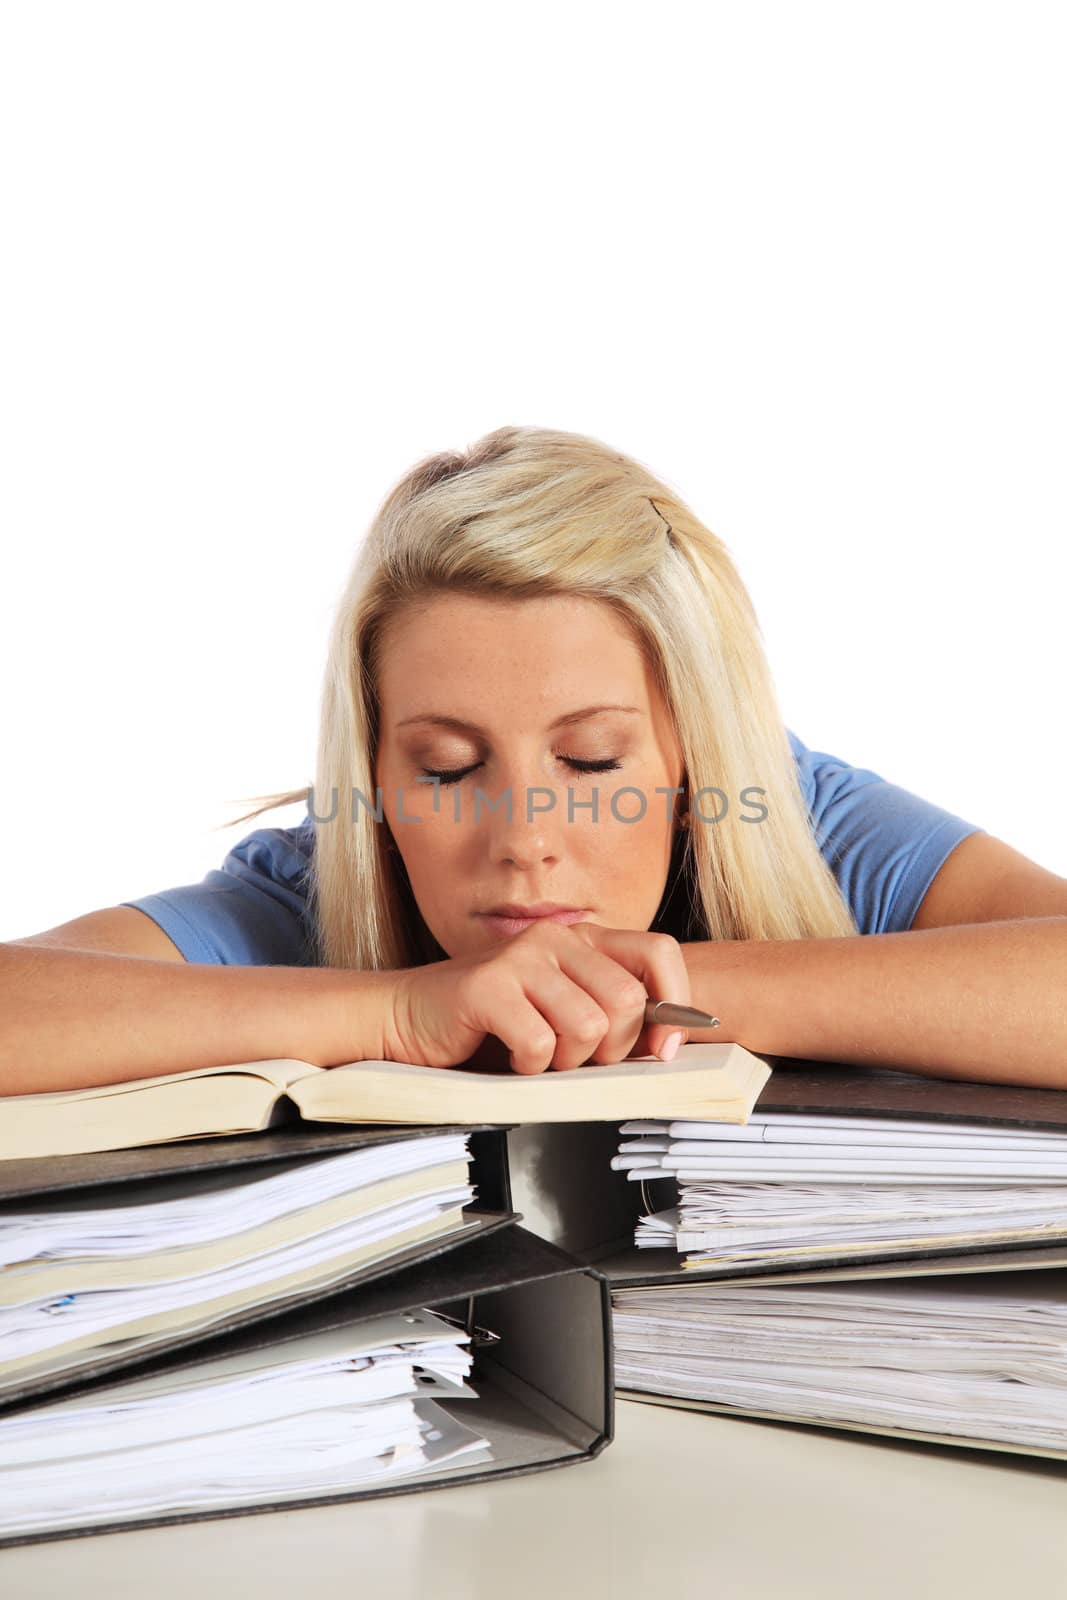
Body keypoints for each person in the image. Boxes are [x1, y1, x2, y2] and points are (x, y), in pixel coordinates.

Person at [5, 425, 1067, 1097]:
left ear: (694, 752)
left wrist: (671, 987)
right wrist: (396, 1012)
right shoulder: (321, 877)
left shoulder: (803, 816)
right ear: (374, 770)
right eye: (448, 765)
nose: (523, 842)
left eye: (594, 762)